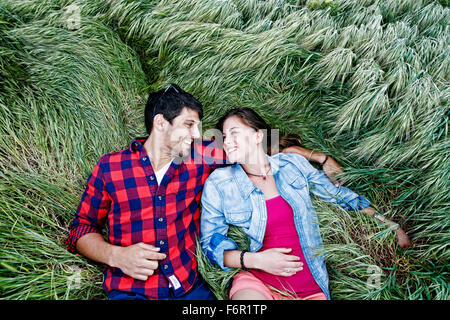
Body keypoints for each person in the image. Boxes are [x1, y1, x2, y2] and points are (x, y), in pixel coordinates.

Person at [65, 84, 346, 300]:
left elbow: (255, 147)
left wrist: (315, 157)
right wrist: (116, 256)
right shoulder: (111, 167)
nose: (197, 134)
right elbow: (81, 228)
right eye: (189, 125)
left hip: (189, 289)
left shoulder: (199, 156)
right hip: (131, 291)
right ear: (160, 123)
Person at [200, 107, 411, 300]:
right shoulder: (219, 183)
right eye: (224, 137)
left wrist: (389, 224)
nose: (226, 141)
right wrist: (256, 260)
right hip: (258, 284)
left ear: (258, 135)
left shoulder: (292, 164)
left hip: (310, 290)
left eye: (234, 133)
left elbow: (341, 197)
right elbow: (211, 244)